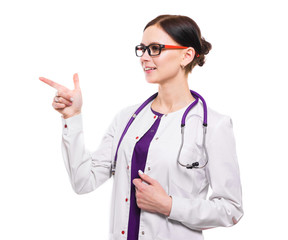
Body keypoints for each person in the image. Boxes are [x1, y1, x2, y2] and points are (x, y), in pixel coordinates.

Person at [39, 14, 243, 240]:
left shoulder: (214, 125)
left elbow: (231, 209)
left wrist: (169, 205)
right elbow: (83, 181)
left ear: (186, 55)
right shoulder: (127, 118)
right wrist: (73, 117)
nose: (144, 57)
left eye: (155, 48)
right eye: (142, 49)